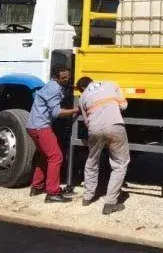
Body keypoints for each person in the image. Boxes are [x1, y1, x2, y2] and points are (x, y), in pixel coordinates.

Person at [75, 76, 130, 215]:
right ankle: (110, 203)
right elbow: (124, 105)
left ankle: (87, 197)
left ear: (82, 88)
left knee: (92, 160)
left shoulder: (82, 98)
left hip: (95, 129)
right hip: (115, 125)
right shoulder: (111, 84)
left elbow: (87, 121)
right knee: (119, 164)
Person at [26, 62, 80, 202]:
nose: (67, 79)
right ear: (56, 78)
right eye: (63, 78)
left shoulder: (52, 85)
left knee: (45, 156)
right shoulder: (54, 89)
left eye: (68, 77)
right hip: (41, 127)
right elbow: (56, 112)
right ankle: (52, 192)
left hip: (33, 126)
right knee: (56, 157)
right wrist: (75, 111)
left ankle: (37, 187)